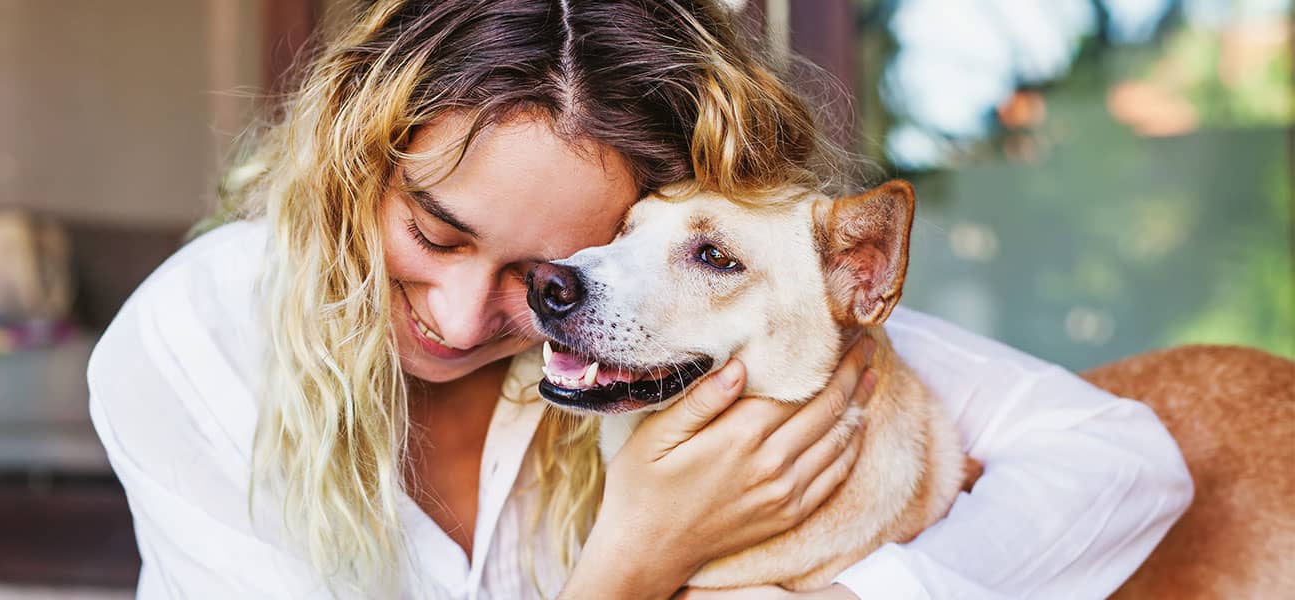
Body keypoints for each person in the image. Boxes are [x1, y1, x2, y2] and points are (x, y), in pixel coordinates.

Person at [87, 1, 1192, 597]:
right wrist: (638, 555)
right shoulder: (200, 334)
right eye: (433, 233)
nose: (466, 320)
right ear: (352, 163)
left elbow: (1122, 461)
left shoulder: (658, 317)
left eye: (547, 278)